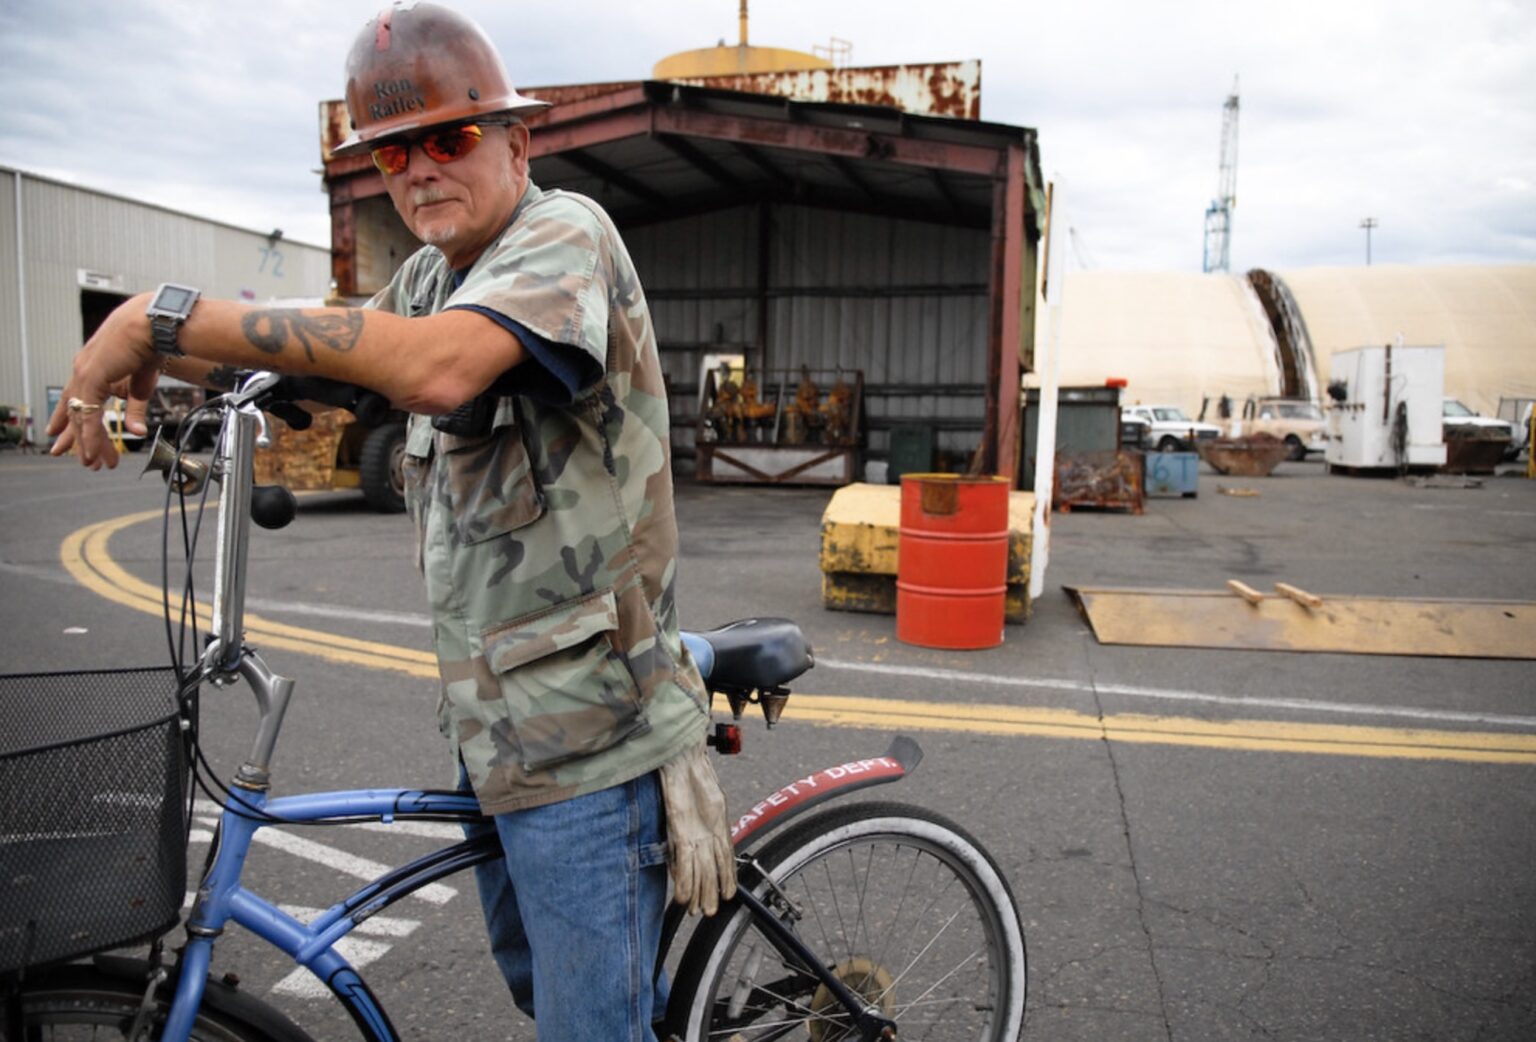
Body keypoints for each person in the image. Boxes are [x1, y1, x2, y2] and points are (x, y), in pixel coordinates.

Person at [47, 4, 734, 1039]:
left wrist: (155, 310)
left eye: (448, 138)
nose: (418, 170)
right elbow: (322, 352)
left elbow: (433, 364)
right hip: (493, 721)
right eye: (391, 151)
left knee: (593, 1031)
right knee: (548, 995)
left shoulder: (564, 236)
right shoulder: (429, 276)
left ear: (516, 141)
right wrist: (160, 356)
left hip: (592, 736)